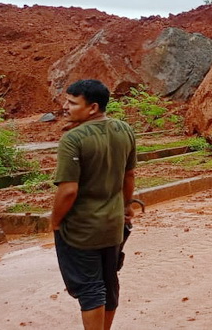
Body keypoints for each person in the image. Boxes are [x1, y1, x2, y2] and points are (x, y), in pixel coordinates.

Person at [51, 79, 137, 330]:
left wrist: (55, 221)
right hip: (113, 226)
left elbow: (68, 191)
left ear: (93, 108)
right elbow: (128, 175)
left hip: (81, 230)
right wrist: (126, 207)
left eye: (72, 102)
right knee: (108, 284)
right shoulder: (125, 130)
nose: (66, 107)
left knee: (90, 289)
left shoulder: (73, 139)